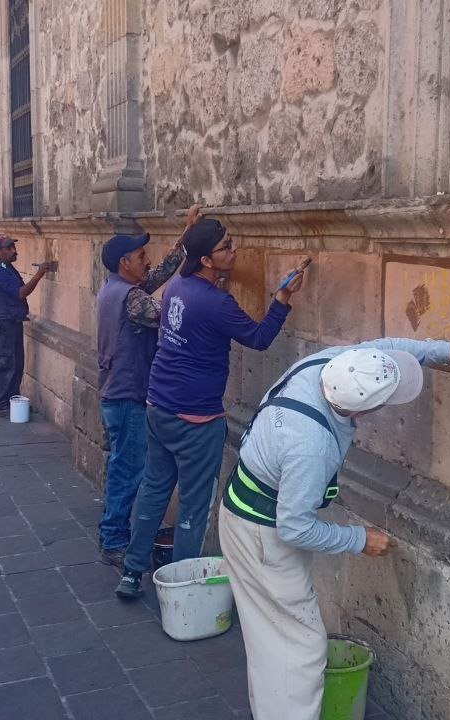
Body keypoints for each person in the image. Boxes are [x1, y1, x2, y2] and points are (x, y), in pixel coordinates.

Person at [219, 339, 450, 720]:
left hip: (244, 510)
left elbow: (385, 346)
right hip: (262, 536)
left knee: (270, 637)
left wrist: (445, 350)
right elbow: (293, 528)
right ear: (367, 410)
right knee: (301, 648)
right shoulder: (311, 445)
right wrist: (358, 539)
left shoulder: (332, 363)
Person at [114, 217, 304, 599]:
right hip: (196, 419)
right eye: (226, 247)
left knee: (153, 491)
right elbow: (259, 337)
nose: (234, 251)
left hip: (159, 406)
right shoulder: (217, 303)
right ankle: (183, 589)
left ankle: (132, 573)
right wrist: (282, 299)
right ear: (205, 260)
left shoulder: (177, 288)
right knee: (194, 507)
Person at [94, 206, 196, 568]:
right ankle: (114, 541)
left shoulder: (115, 287)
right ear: (125, 262)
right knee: (128, 471)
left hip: (115, 392)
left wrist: (186, 236)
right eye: (140, 256)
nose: (145, 260)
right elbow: (167, 313)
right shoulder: (132, 298)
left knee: (123, 466)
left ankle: (113, 531)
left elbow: (155, 276)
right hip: (127, 395)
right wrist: (198, 292)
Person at [0, 234, 50, 418]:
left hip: (12, 321)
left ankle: (13, 402)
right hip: (4, 323)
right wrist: (39, 274)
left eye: (13, 247)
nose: (14, 251)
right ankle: (2, 405)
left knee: (16, 364)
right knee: (5, 364)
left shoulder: (6, 266)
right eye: (8, 248)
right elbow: (21, 293)